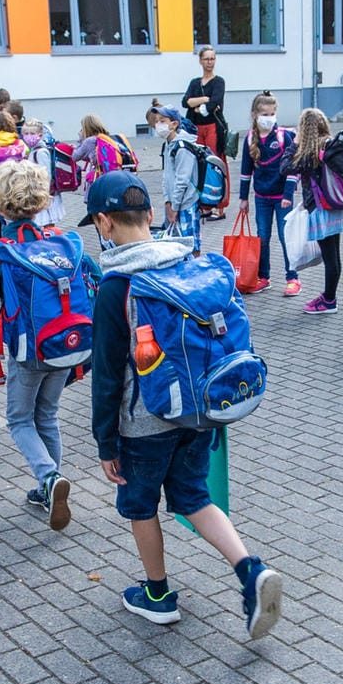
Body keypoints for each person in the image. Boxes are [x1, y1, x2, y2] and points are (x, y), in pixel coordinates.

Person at [84, 171, 283, 636]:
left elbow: (109, 375)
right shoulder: (188, 260)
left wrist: (104, 441)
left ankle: (157, 595)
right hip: (199, 413)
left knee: (140, 506)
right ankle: (250, 570)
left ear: (103, 223)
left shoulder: (117, 287)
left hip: (144, 424)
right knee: (193, 497)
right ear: (151, 215)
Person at [0, 160, 80, 527]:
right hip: (66, 345)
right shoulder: (64, 242)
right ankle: (47, 486)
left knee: (19, 419)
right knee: (46, 415)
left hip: (28, 351)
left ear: (0, 206)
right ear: (43, 201)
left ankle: (48, 478)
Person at [237, 92, 299, 295]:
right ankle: (264, 277)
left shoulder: (283, 137)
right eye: (264, 113)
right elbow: (246, 172)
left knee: (285, 237)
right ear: (255, 114)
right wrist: (243, 198)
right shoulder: (249, 139)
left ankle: (293, 278)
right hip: (262, 199)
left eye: (272, 113)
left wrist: (288, 195)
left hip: (282, 199)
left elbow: (293, 169)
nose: (269, 118)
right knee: (262, 238)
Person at [288, 108, 343, 315]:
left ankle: (329, 300)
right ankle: (329, 295)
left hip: (319, 208)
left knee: (330, 256)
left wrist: (294, 143)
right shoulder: (330, 145)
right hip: (334, 205)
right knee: (334, 255)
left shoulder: (307, 153)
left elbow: (285, 167)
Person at [147, 100, 204, 260]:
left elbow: (182, 179)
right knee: (175, 246)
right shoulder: (168, 145)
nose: (158, 125)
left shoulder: (182, 146)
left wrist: (175, 206)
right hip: (174, 204)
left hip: (185, 203)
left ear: (174, 124)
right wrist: (167, 202)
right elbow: (166, 177)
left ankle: (196, 275)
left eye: (163, 121)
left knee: (191, 246)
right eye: (157, 121)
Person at [182, 46, 230, 220]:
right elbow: (185, 102)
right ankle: (205, 205)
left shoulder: (219, 82)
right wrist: (203, 100)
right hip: (196, 128)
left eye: (212, 58)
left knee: (215, 163)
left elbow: (215, 102)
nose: (210, 62)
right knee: (199, 164)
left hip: (213, 128)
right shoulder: (195, 82)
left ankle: (220, 206)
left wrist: (198, 105)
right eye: (206, 59)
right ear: (200, 61)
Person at [20, 118, 65, 228]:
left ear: (40, 135)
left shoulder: (40, 152)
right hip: (38, 192)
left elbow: (47, 175)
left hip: (43, 193)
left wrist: (44, 194)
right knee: (43, 222)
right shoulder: (33, 150)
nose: (29, 136)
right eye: (26, 133)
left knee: (48, 223)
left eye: (32, 133)